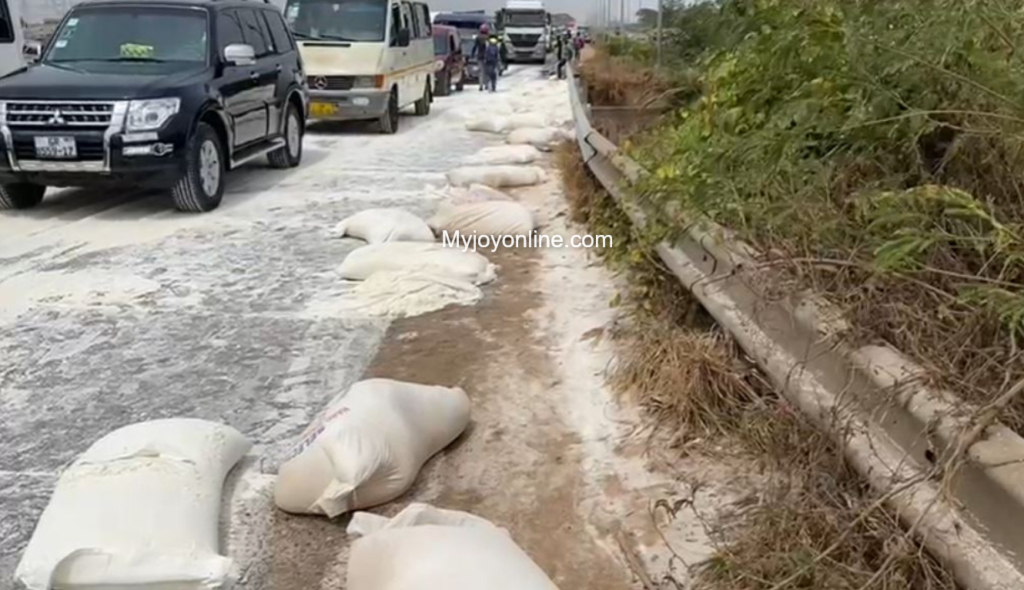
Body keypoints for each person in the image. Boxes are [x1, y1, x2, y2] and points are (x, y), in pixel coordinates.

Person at [473, 23, 490, 91]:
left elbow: (475, 47)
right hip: (488, 57)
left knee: (481, 72)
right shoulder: (489, 37)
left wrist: (472, 54)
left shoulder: (478, 37)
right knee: (487, 71)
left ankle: (481, 85)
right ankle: (486, 85)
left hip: (480, 56)